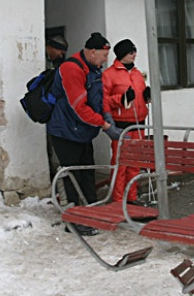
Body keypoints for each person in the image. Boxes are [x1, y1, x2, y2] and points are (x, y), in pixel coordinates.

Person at [47, 32, 123, 236]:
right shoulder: (71, 69)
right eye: (104, 55)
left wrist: (108, 117)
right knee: (72, 175)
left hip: (82, 132)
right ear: (91, 52)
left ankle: (91, 212)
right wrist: (105, 126)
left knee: (87, 172)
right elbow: (78, 107)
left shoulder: (95, 69)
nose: (106, 59)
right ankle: (73, 221)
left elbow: (100, 99)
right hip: (65, 131)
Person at [102, 39, 150, 203]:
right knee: (120, 165)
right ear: (122, 54)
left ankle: (132, 197)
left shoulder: (137, 73)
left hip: (139, 123)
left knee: (135, 164)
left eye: (135, 51)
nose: (134, 55)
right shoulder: (109, 75)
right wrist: (121, 98)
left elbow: (139, 96)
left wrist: (146, 96)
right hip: (122, 125)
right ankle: (117, 200)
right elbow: (104, 101)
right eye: (131, 52)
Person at [44, 35, 68, 181]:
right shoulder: (41, 60)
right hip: (44, 107)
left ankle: (52, 171)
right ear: (52, 47)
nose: (61, 55)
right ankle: (49, 172)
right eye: (60, 51)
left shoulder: (56, 63)